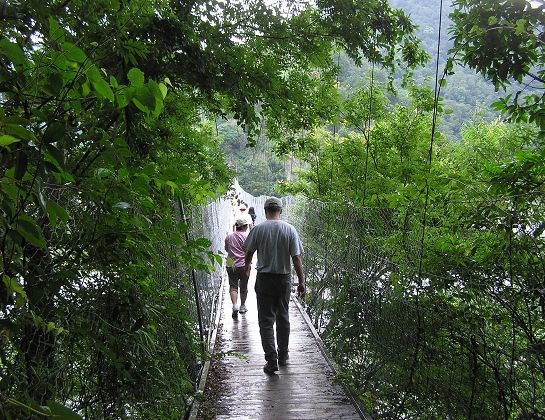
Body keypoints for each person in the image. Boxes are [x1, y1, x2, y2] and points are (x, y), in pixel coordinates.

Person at [244, 197, 306, 374]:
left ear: (265, 211)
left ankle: (271, 360)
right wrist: (301, 282)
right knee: (283, 316)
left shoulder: (258, 229)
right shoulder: (290, 229)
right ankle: (284, 354)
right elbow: (296, 258)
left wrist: (247, 268)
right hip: (284, 279)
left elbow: (248, 252)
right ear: (281, 210)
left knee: (265, 321)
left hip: (264, 278)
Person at [225, 217, 251, 318]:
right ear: (245, 226)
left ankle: (234, 305)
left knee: (233, 286)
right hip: (243, 264)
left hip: (231, 264)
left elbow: (227, 249)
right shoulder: (247, 236)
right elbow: (249, 251)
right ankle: (242, 306)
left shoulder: (229, 236)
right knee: (243, 286)